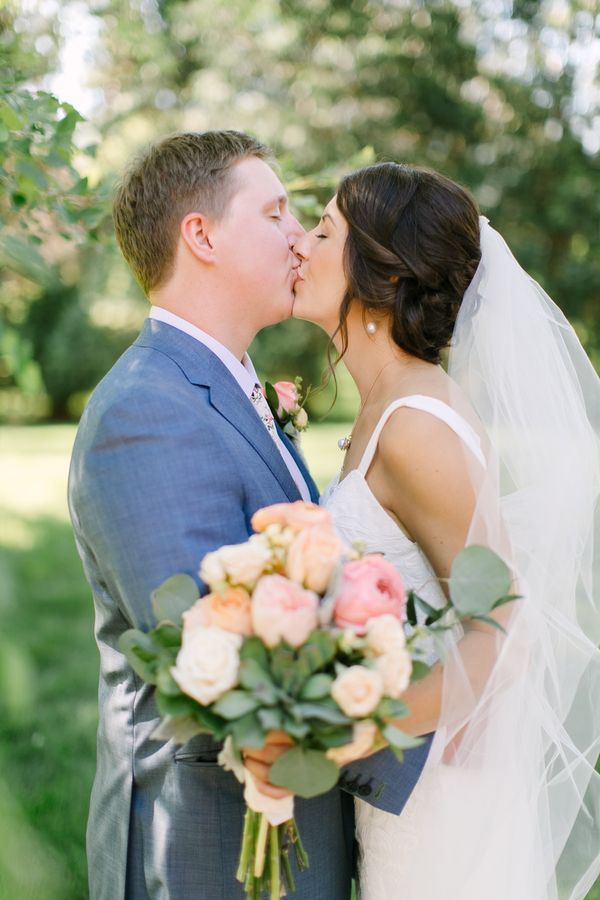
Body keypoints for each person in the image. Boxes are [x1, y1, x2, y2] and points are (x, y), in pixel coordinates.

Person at [68, 131, 429, 900]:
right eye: (275, 213)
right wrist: (434, 741)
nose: (301, 237)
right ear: (200, 236)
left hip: (288, 836)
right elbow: (219, 666)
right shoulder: (147, 410)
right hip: (212, 854)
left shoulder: (227, 385)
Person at [290, 162, 600, 899]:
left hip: (441, 808)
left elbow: (506, 628)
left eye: (324, 229)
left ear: (383, 278)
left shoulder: (417, 427)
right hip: (405, 787)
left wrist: (357, 727)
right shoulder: (386, 408)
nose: (300, 244)